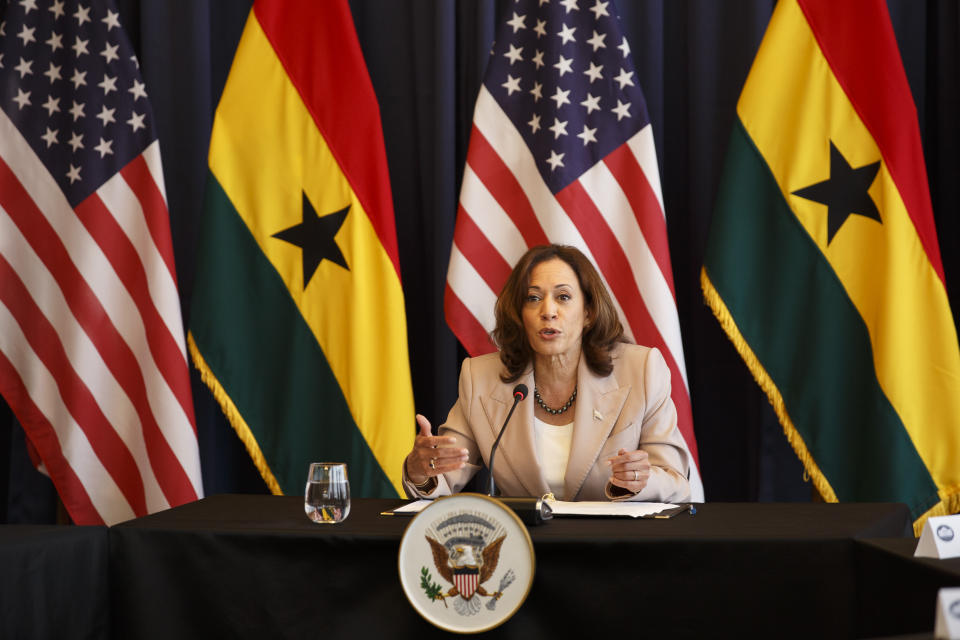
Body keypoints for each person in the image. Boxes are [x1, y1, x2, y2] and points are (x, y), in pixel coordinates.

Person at [403, 244, 691, 502]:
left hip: (613, 548)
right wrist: (421, 470)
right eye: (532, 298)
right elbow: (443, 476)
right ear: (519, 313)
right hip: (525, 548)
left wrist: (642, 479)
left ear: (588, 312)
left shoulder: (641, 370)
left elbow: (676, 482)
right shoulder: (480, 377)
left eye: (563, 297)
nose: (548, 311)